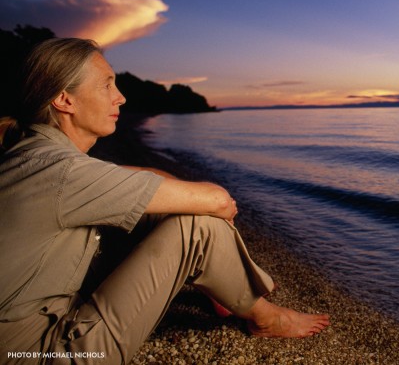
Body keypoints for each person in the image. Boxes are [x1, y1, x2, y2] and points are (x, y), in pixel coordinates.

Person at [0, 38, 330, 364]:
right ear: (64, 100)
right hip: (42, 351)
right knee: (196, 226)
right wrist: (212, 207)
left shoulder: (36, 154)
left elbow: (143, 174)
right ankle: (265, 316)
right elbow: (216, 199)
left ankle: (224, 284)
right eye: (107, 86)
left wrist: (197, 203)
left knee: (164, 208)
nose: (121, 97)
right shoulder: (63, 172)